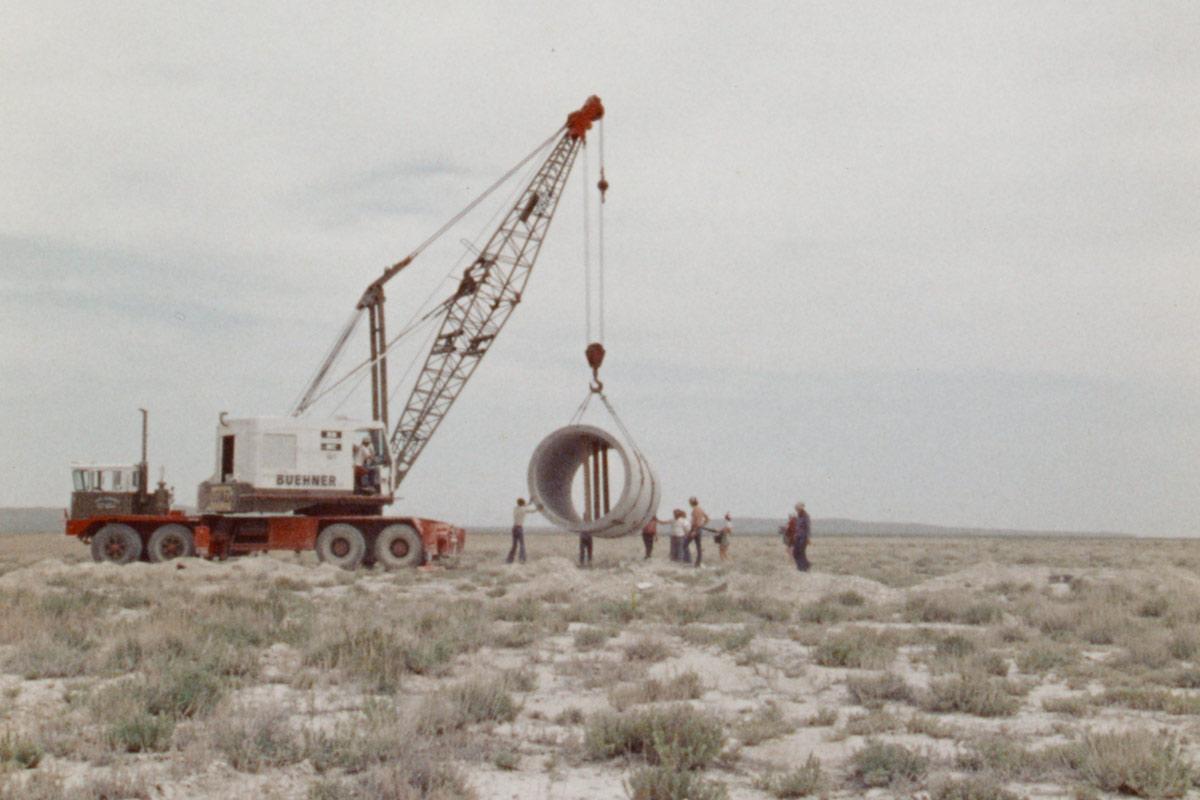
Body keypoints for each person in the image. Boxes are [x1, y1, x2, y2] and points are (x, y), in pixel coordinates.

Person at [507, 498, 540, 564]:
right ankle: (522, 559)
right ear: (522, 503)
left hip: (514, 528)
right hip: (519, 528)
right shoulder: (523, 509)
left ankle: (509, 559)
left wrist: (529, 503)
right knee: (522, 544)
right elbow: (532, 511)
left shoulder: (515, 508)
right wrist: (539, 508)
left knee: (514, 545)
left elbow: (523, 506)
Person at [687, 496, 709, 568]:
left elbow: (695, 521)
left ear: (691, 503)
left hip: (695, 529)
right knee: (698, 546)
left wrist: (694, 530)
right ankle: (698, 563)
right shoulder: (701, 509)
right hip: (699, 529)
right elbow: (707, 519)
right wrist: (702, 525)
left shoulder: (695, 510)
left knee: (684, 544)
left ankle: (688, 560)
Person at [792, 502, 811, 571]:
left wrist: (808, 538)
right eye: (796, 508)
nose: (796, 509)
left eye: (797, 508)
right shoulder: (798, 516)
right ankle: (804, 565)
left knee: (801, 552)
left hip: (803, 537)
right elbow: (797, 527)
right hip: (797, 537)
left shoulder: (806, 516)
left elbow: (808, 527)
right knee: (795, 552)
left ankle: (803, 567)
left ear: (801, 508)